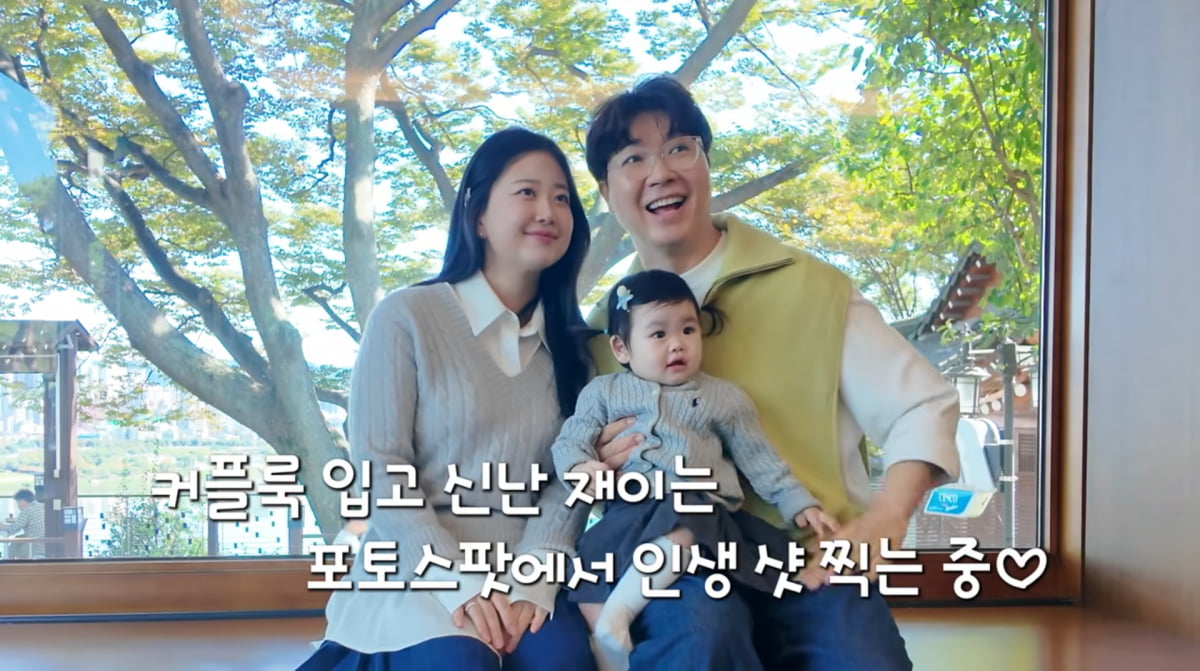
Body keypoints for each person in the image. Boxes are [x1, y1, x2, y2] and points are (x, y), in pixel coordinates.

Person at [580, 75, 961, 671]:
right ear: (607, 192)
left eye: (680, 148)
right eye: (633, 159)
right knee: (698, 642)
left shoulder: (812, 287)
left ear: (707, 164)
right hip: (677, 571)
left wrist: (886, 517)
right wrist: (598, 467)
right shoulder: (602, 335)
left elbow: (922, 406)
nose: (661, 172)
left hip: (812, 562)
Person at [299, 127, 598, 671]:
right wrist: (457, 581)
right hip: (414, 568)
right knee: (460, 661)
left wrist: (535, 575)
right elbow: (380, 468)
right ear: (478, 216)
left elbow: (569, 481)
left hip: (525, 572)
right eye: (527, 192)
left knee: (562, 662)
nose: (548, 211)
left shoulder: (575, 347)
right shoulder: (406, 316)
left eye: (562, 198)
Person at [550, 269, 838, 670]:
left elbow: (758, 457)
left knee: (688, 515)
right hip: (629, 511)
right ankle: (610, 648)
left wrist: (796, 500)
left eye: (688, 330)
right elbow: (571, 439)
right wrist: (582, 467)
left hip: (697, 507)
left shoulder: (722, 396)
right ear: (621, 348)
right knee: (588, 562)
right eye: (658, 334)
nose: (677, 344)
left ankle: (621, 611)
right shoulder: (603, 392)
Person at [3, 488, 46, 560]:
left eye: (18, 502)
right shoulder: (42, 506)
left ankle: (9, 561)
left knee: (15, 545)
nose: (18, 505)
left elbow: (14, 529)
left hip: (34, 543)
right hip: (45, 542)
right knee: (17, 539)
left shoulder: (26, 510)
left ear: (22, 501)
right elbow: (31, 518)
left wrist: (3, 527)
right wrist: (16, 519)